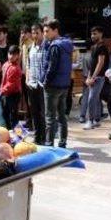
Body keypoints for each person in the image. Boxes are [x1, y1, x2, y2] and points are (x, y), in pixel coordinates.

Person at [41, 19, 73, 148]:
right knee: (62, 116)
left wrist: (45, 82)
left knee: (50, 118)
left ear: (55, 30)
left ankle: (49, 145)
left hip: (52, 86)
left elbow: (51, 67)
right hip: (64, 85)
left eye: (47, 31)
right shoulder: (67, 44)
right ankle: (62, 143)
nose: (45, 34)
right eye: (44, 32)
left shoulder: (55, 46)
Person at [83, 26, 109, 130]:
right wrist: (89, 77)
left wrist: (93, 77)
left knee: (91, 99)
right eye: (92, 34)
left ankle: (90, 120)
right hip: (93, 77)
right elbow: (92, 64)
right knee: (95, 99)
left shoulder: (102, 46)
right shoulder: (94, 47)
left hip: (99, 77)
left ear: (101, 34)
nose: (93, 36)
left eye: (95, 33)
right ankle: (96, 120)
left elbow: (100, 62)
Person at [26, 23, 46, 145]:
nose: (35, 35)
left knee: (43, 113)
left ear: (42, 33)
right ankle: (37, 136)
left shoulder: (47, 47)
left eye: (37, 32)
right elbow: (28, 64)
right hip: (32, 84)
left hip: (43, 85)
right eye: (33, 33)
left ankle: (44, 138)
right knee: (34, 113)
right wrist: (27, 79)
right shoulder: (30, 48)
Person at [0, 46, 22, 128]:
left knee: (13, 116)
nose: (11, 56)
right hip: (5, 94)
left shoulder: (16, 68)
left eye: (14, 54)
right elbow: (3, 81)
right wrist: (0, 90)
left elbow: (11, 84)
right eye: (10, 54)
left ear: (18, 55)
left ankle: (17, 135)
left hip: (14, 95)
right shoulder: (5, 65)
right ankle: (9, 133)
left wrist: (1, 92)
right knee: (5, 114)